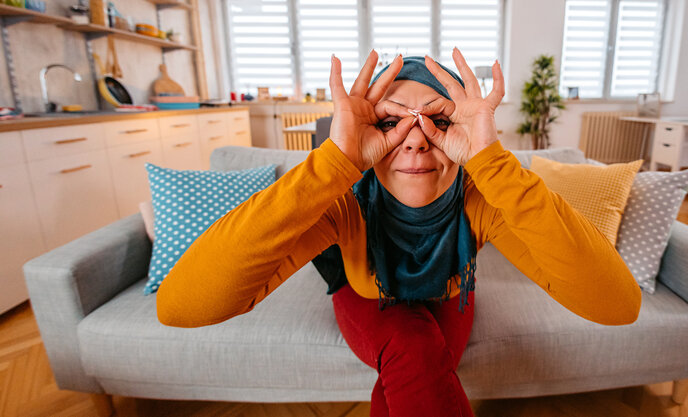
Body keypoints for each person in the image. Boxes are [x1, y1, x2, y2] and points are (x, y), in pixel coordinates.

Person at [156, 49, 642, 417]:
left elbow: (617, 306)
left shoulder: (485, 196)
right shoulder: (342, 203)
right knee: (414, 349)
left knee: (411, 367)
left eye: (439, 120)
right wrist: (334, 164)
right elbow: (180, 307)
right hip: (362, 296)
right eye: (390, 121)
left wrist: (493, 164)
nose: (414, 136)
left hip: (447, 300)